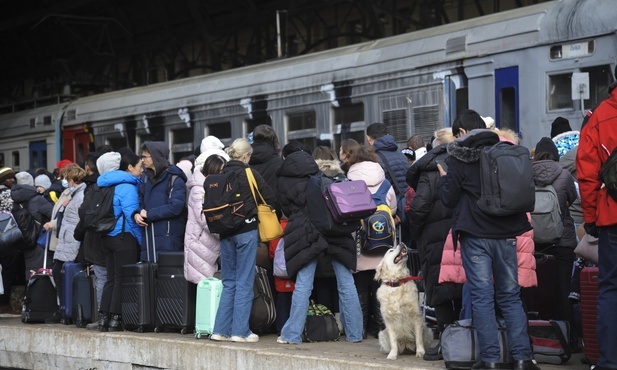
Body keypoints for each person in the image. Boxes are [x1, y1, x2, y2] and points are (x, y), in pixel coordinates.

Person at [438, 109, 538, 370]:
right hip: (507, 235)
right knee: (510, 296)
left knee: (482, 297)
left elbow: (448, 199)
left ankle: (491, 360)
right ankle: (522, 358)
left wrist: (445, 180)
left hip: (476, 237)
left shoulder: (461, 158)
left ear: (461, 132)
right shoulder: (505, 152)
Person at [276, 145, 363, 345]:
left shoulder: (298, 179)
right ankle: (355, 333)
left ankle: (292, 334)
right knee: (346, 282)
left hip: (309, 232)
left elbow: (288, 209)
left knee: (304, 284)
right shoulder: (335, 174)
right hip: (337, 230)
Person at [208, 138, 277, 343]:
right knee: (244, 281)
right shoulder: (249, 173)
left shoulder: (220, 174)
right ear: (246, 156)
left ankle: (220, 330)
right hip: (246, 231)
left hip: (225, 233)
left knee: (228, 282)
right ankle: (241, 331)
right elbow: (270, 198)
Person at [406, 127, 461, 360]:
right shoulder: (463, 162)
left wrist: (417, 235)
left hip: (434, 238)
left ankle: (446, 341)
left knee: (439, 288)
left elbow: (418, 208)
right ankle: (464, 339)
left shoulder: (428, 171)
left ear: (433, 146)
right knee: (461, 287)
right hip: (461, 234)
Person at [576, 80, 617, 370]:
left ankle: (609, 362)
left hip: (612, 217)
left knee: (611, 289)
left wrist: (591, 219)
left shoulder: (600, 116)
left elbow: (588, 176)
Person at [346, 145, 397, 339]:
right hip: (382, 245)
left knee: (360, 288)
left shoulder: (349, 181)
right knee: (379, 289)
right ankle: (380, 329)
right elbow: (392, 209)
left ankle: (360, 328)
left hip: (359, 243)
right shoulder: (384, 183)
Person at [531, 138, 577, 330]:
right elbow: (572, 199)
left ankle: (544, 330)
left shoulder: (526, 174)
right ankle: (569, 334)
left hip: (536, 239)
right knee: (565, 288)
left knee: (541, 287)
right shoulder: (565, 175)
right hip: (562, 239)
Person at [96, 152, 143, 331]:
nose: (141, 171)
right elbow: (132, 217)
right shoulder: (126, 186)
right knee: (121, 279)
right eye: (139, 166)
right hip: (123, 237)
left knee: (110, 278)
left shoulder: (103, 185)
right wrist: (140, 240)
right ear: (128, 167)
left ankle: (103, 318)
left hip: (105, 236)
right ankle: (116, 318)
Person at [74, 151, 117, 330]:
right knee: (114, 277)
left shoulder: (94, 186)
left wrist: (79, 233)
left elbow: (84, 213)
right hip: (116, 237)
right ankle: (113, 315)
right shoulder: (123, 183)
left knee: (102, 278)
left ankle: (102, 316)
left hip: (96, 239)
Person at [44, 164, 87, 323]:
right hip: (65, 240)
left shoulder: (80, 196)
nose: (64, 181)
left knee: (62, 273)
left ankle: (67, 310)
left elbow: (77, 220)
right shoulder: (73, 194)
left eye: (66, 178)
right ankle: (64, 309)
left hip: (71, 241)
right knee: (59, 272)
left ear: (72, 178)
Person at [133, 142, 187, 262]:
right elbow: (141, 203)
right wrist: (136, 214)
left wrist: (149, 214)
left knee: (166, 275)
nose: (142, 160)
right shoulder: (145, 178)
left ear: (156, 157)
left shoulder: (174, 178)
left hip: (168, 237)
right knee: (149, 276)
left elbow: (175, 207)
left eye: (145, 157)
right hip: (149, 237)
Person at [184, 154, 226, 283]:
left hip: (207, 243)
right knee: (205, 287)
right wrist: (226, 230)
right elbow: (204, 219)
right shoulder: (198, 190)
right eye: (220, 172)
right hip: (200, 244)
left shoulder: (210, 187)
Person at [0, 167, 20, 314]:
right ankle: (4, 302)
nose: (12, 180)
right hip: (6, 236)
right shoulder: (8, 194)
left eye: (13, 177)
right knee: (8, 269)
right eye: (8, 178)